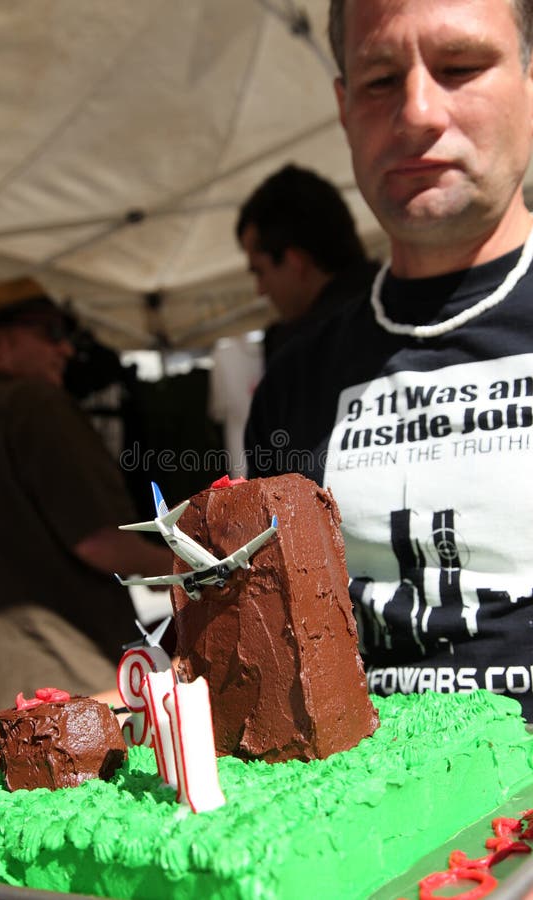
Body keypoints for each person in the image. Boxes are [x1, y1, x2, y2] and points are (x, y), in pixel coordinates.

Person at [246, 0, 533, 719]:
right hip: (361, 822)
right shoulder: (297, 380)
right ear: (343, 106)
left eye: (460, 66)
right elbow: (262, 641)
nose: (418, 113)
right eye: (379, 80)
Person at [0, 276, 172, 764]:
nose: (65, 350)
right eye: (48, 332)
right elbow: (100, 541)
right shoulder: (33, 404)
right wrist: (195, 566)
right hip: (70, 698)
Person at [236, 163, 378, 361]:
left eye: (260, 272)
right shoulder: (405, 301)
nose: (261, 290)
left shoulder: (301, 353)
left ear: (295, 261)